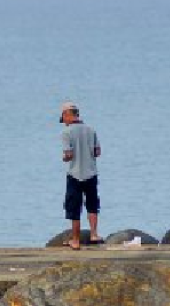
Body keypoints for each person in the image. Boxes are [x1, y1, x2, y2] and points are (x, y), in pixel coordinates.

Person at [59, 101, 101, 249]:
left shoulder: (66, 132)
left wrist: (65, 158)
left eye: (63, 118)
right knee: (92, 204)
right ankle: (94, 234)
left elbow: (68, 155)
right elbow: (97, 152)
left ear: (67, 115)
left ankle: (75, 240)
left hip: (74, 174)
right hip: (91, 173)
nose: (63, 122)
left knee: (74, 207)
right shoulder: (91, 129)